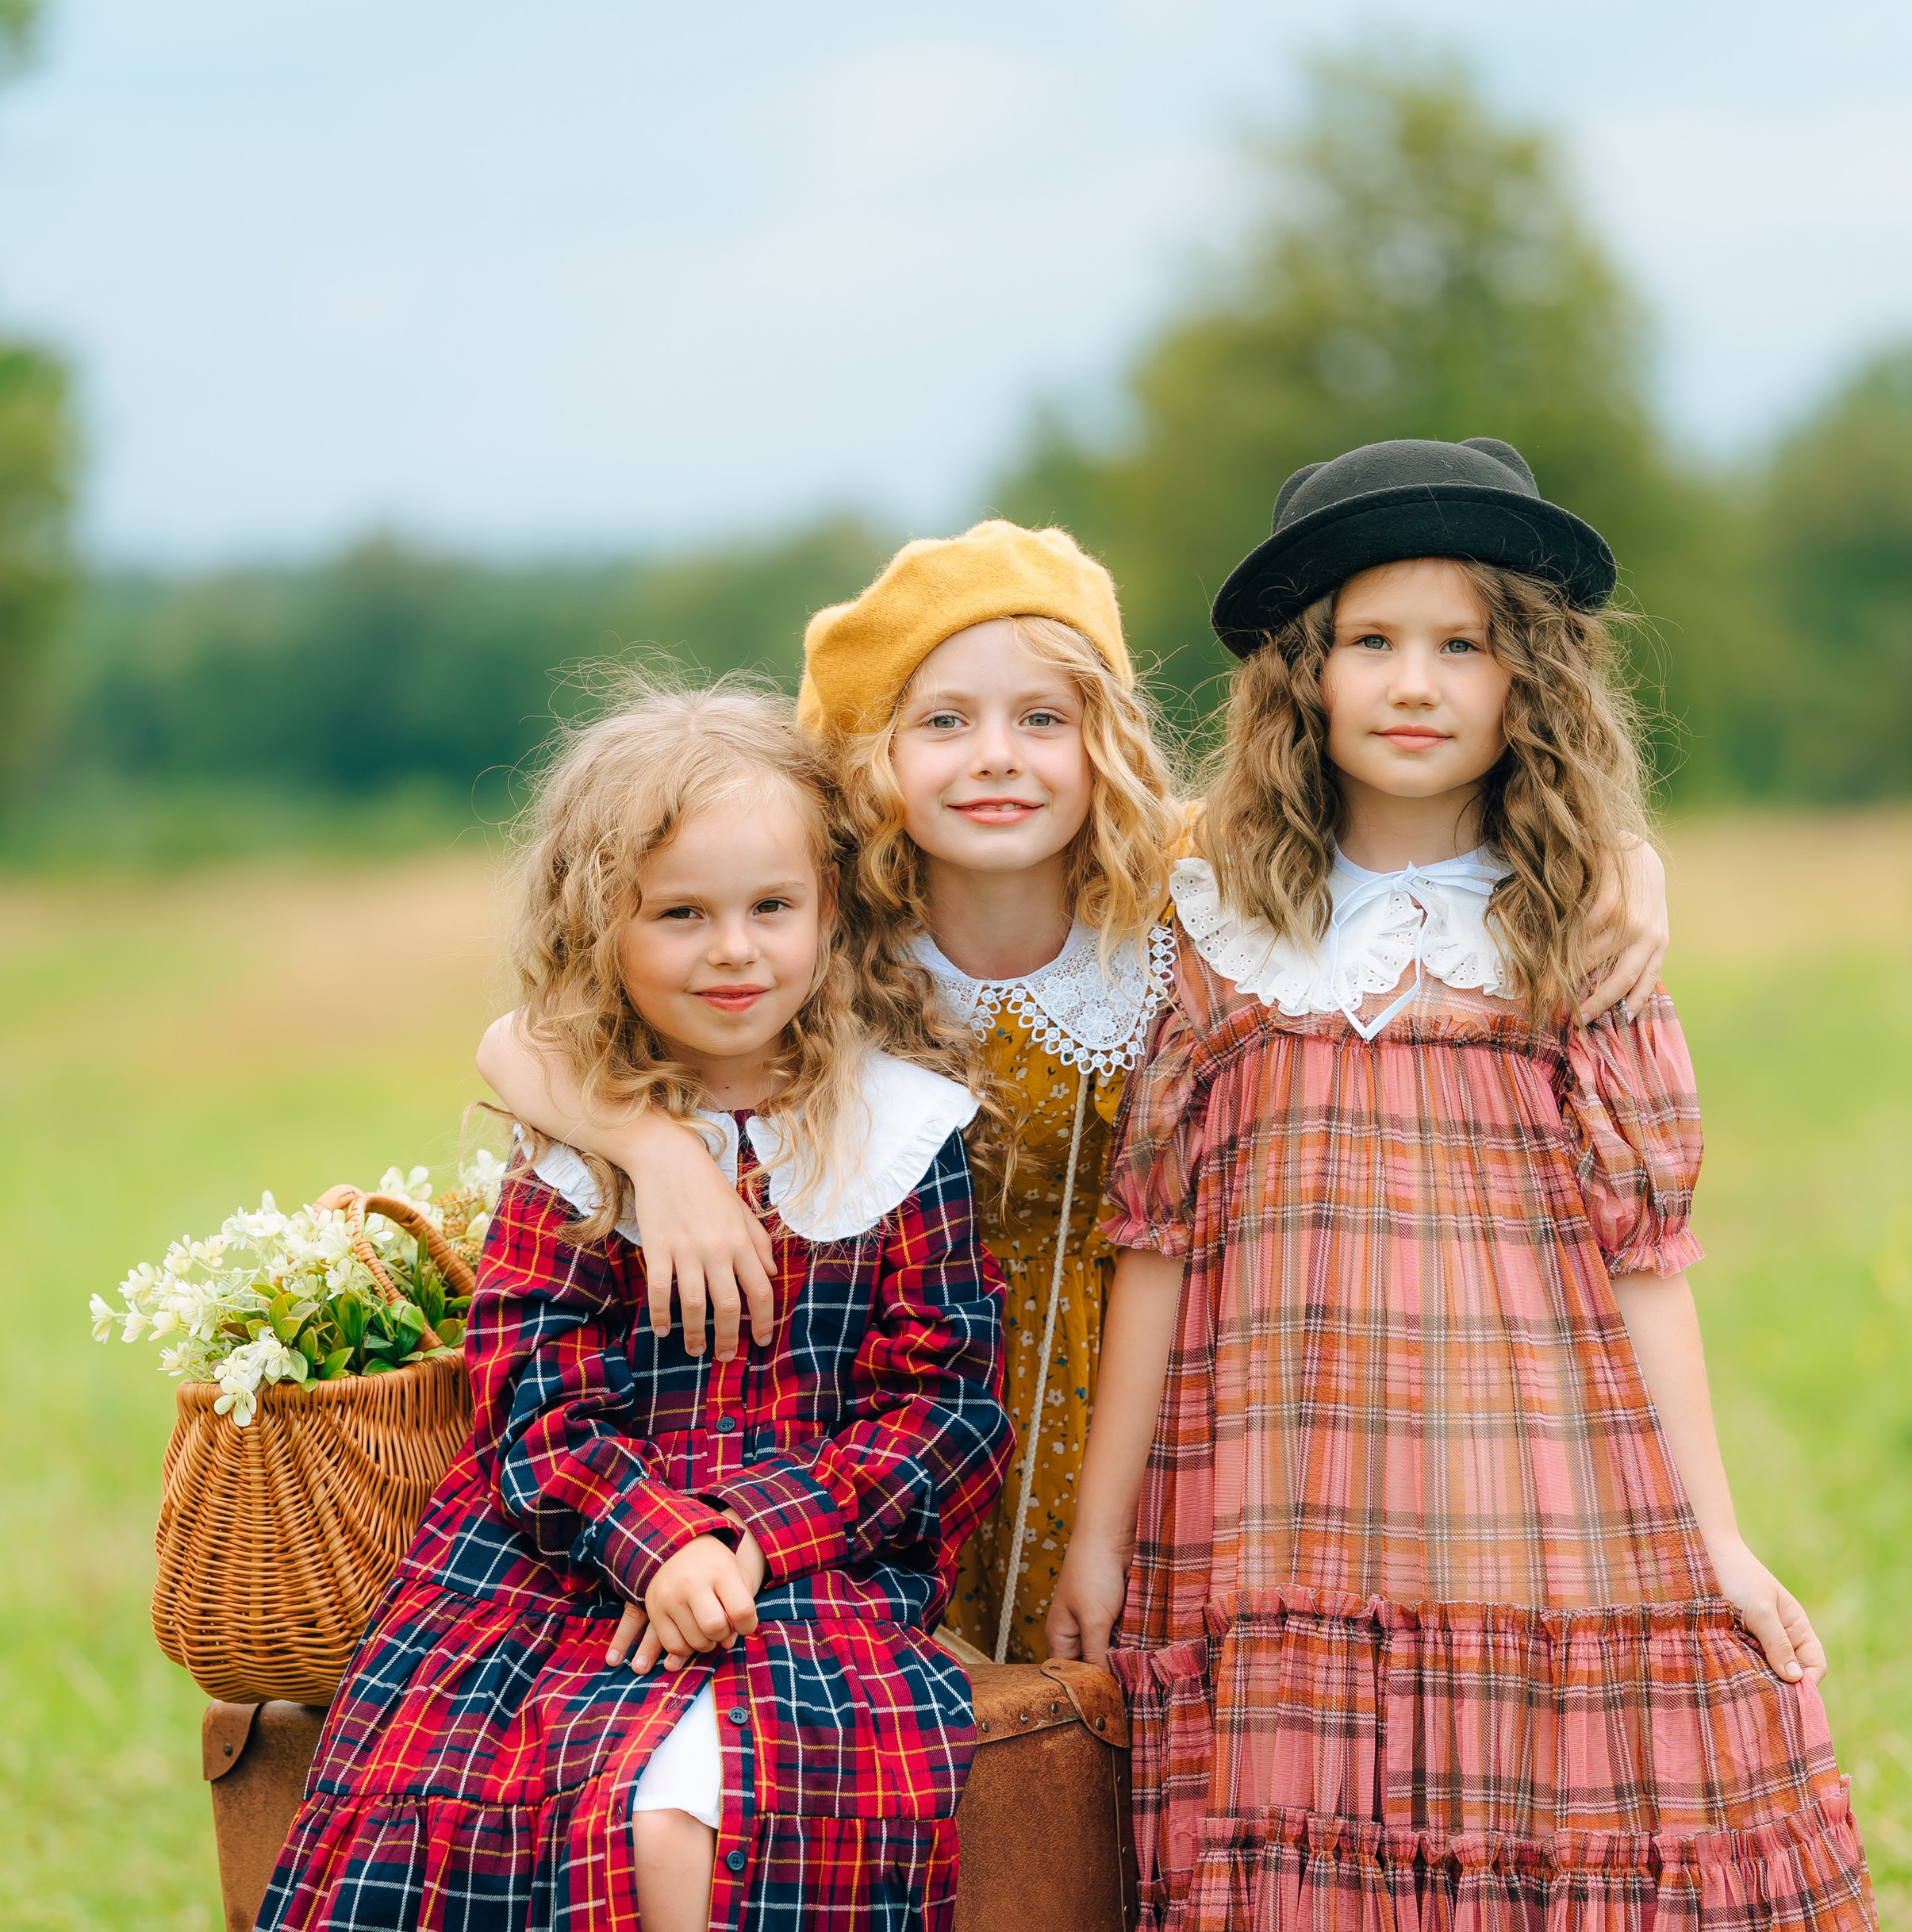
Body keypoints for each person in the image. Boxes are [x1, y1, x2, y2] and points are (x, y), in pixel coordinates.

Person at [1046, 439, 1899, 1932]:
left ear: (1530, 683)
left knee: (1586, 1885)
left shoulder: (1576, 925)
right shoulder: (1212, 930)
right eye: (1368, 644)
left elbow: (1651, 1251)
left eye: (1460, 645)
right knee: (1271, 1871)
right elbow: (1151, 1243)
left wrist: (1712, 1534)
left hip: (1544, 1494)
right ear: (1302, 681)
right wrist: (1097, 1538)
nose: (1412, 682)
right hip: (1270, 1498)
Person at [225, 682, 1009, 1932]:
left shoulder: (897, 1133)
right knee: (416, 1816)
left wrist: (750, 1540)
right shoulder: (577, 1144)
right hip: (555, 1559)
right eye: (679, 914)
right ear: (604, 925)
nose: (731, 952)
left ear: (832, 911)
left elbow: (941, 1407)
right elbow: (526, 1395)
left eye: (770, 907)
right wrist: (648, 1537)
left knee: (688, 1823)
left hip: (810, 1570)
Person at [479, 522, 1672, 1664]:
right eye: (943, 721)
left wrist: (1629, 858)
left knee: (1127, 1696)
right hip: (890, 1390)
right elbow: (516, 1044)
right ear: (871, 758)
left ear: (1101, 742)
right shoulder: (831, 925)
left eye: (1043, 718)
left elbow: (1404, 856)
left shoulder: (1189, 892)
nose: (997, 756)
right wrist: (659, 1152)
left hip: (1150, 1374)